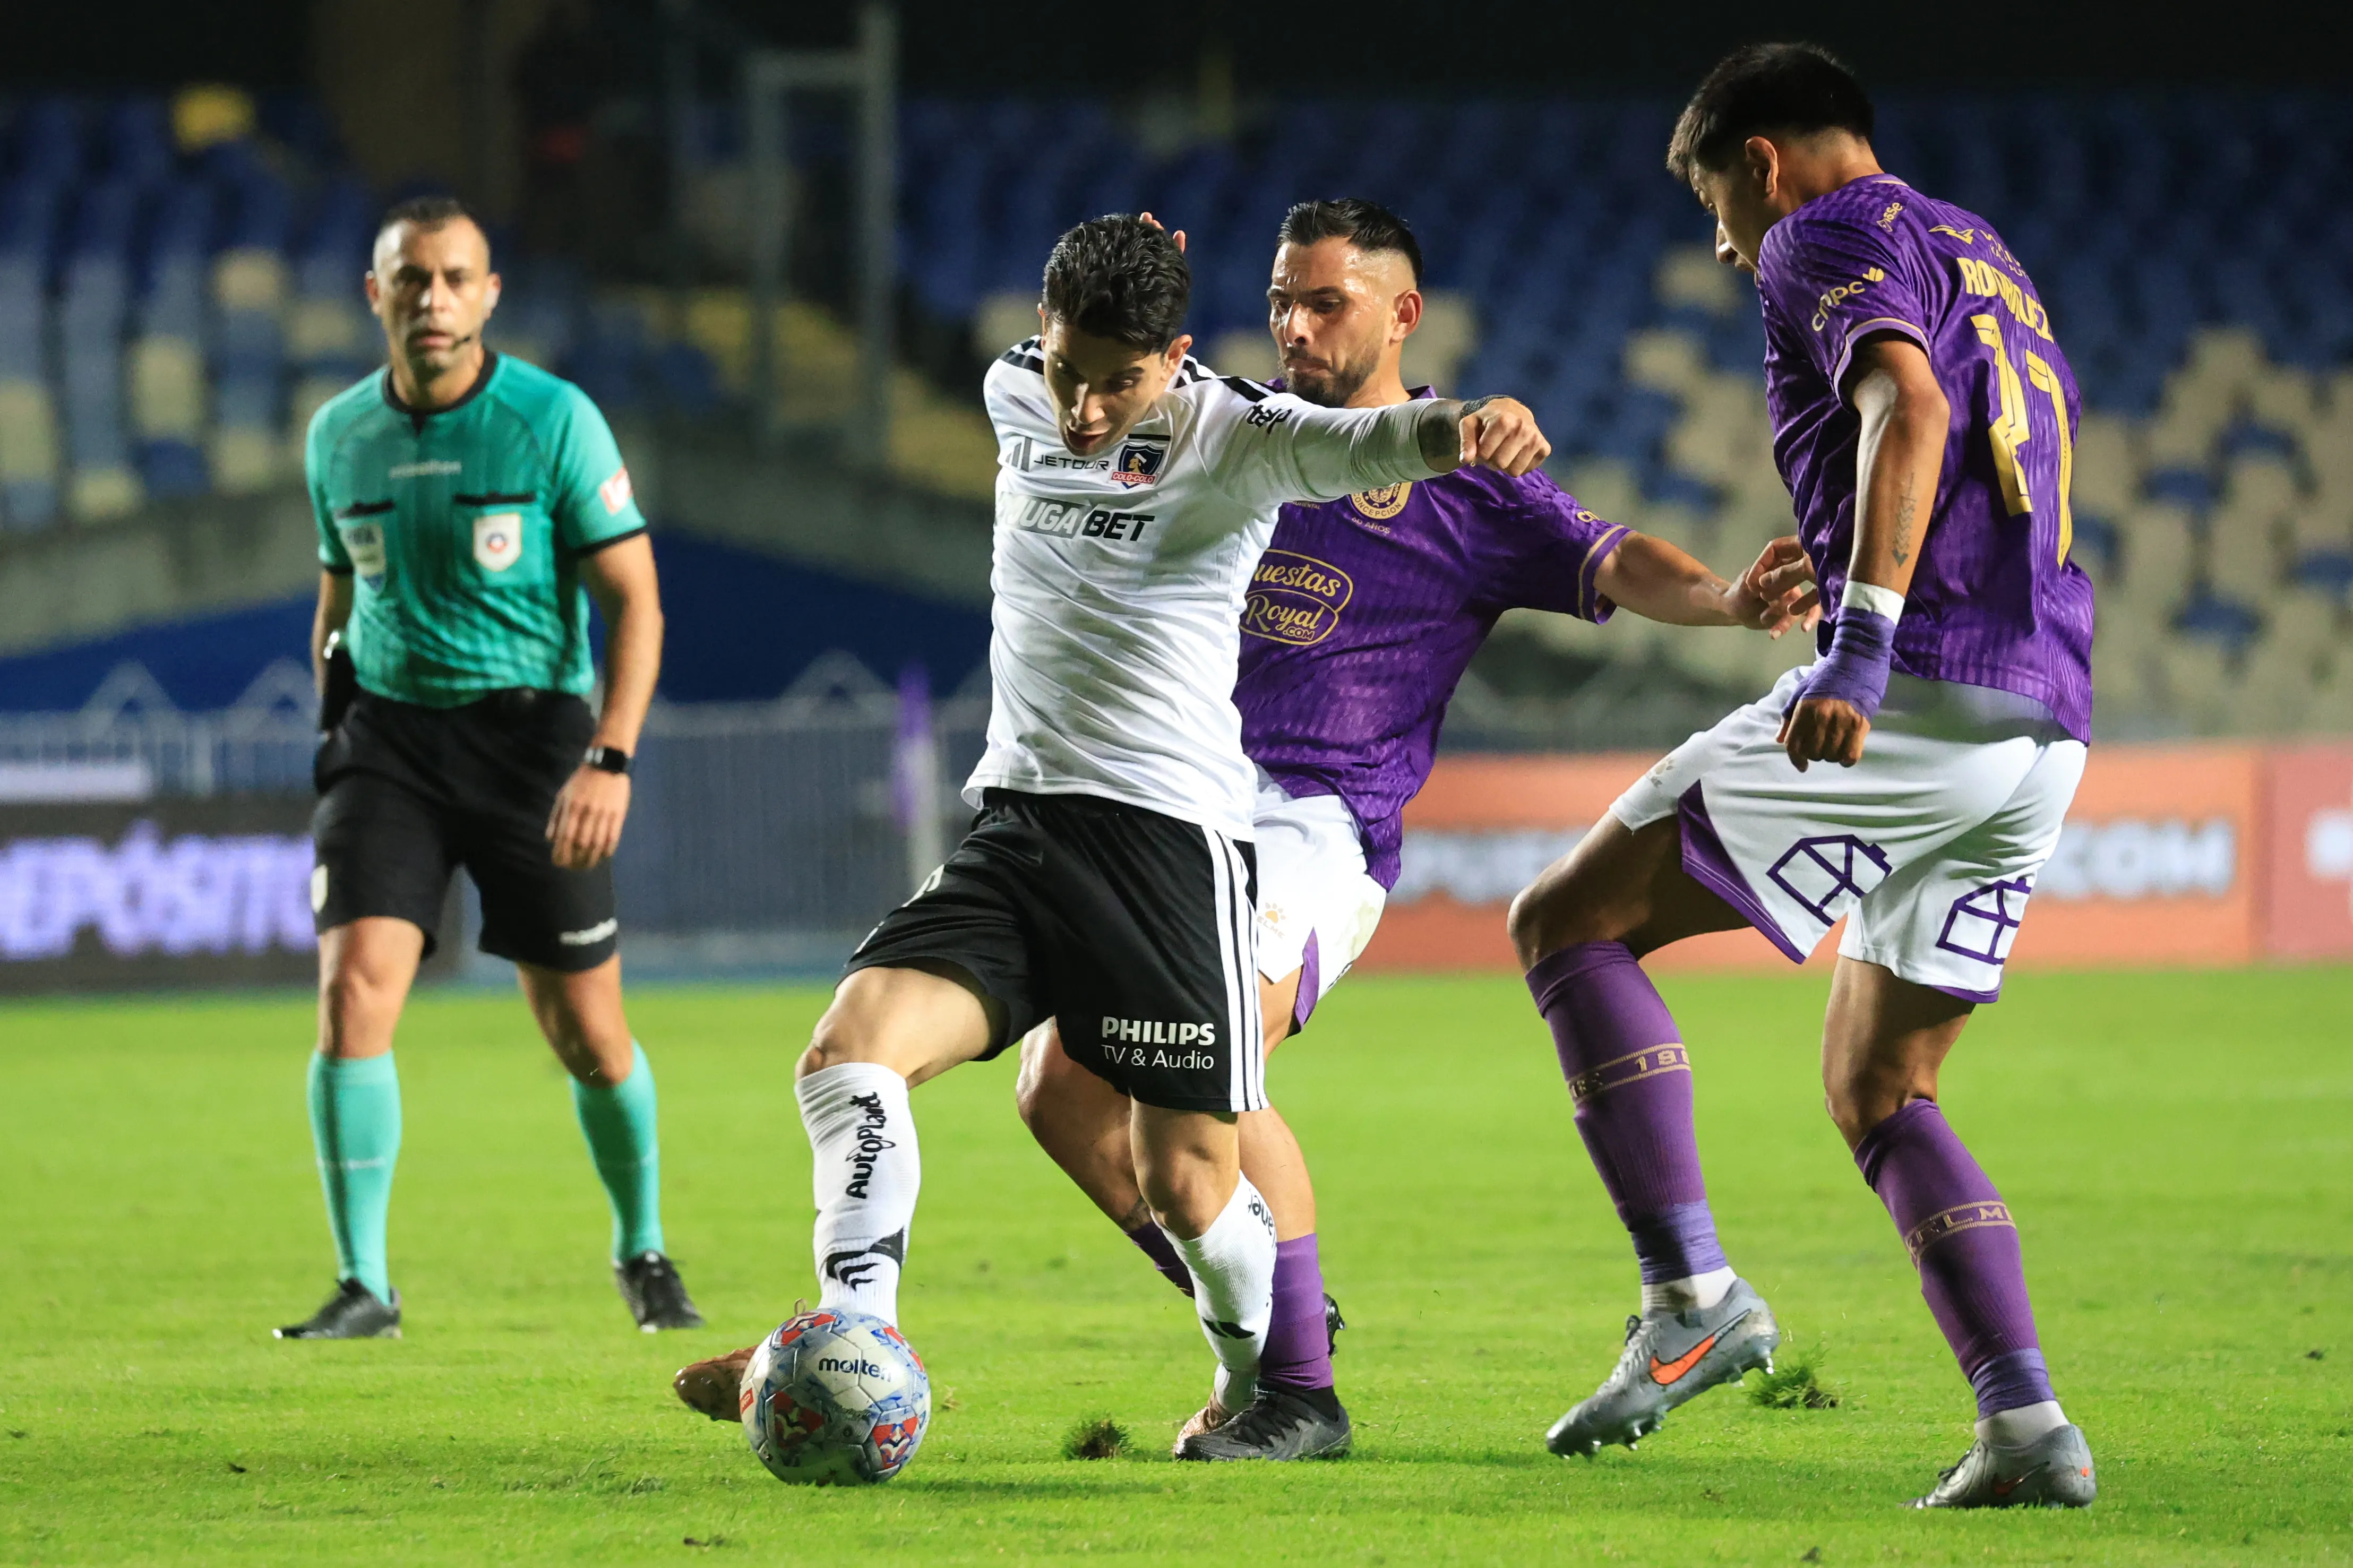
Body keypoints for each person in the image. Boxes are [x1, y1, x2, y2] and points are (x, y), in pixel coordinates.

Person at [672, 213, 1551, 1459]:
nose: (1084, 411)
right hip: (1019, 828)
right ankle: (856, 1330)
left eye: (1118, 383)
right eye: (1065, 371)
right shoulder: (1007, 394)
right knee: (847, 1059)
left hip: (1166, 853)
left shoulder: (1240, 439)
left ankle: (1284, 1381)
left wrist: (1466, 426)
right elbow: (1061, 362)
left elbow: (1375, 439)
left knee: (1189, 1179)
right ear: (1036, 340)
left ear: (1176, 357)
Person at [1010, 198, 1818, 1459]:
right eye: (1280, 297)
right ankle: (1281, 1321)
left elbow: (1609, 559)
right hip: (1176, 806)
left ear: (1401, 314)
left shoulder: (1462, 484)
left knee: (1206, 1061)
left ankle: (1299, 1393)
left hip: (1314, 826)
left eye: (1323, 301)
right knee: (1056, 1084)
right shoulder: (1222, 429)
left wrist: (1724, 598)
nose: (1292, 324)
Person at [1506, 45, 2098, 1509]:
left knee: (1565, 924)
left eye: (1717, 201)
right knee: (1881, 1083)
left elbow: (1910, 404)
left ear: (1762, 164)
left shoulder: (1825, 232)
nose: (1721, 242)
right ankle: (2027, 1426)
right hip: (2044, 720)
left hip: (1926, 682)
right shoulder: (1984, 251)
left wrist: (1862, 642)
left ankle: (1689, 1294)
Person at [281, 195, 700, 1340]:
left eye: (454, 277)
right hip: (389, 744)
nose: (432, 299)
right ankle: (364, 1282)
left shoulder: (553, 421)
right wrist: (331, 720)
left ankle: (643, 1249)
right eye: (410, 279)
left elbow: (636, 603)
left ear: (488, 294)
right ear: (377, 295)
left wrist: (609, 756)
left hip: (534, 746)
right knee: (352, 994)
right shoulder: (338, 436)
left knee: (588, 1035)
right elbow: (337, 592)